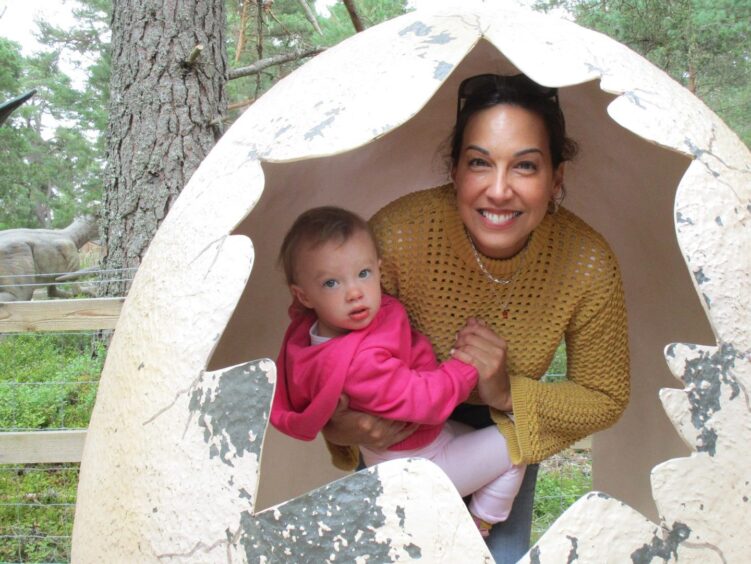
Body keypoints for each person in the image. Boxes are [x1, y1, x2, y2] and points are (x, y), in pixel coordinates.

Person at [321, 73, 631, 562]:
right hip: (400, 435)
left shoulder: (587, 262)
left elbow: (605, 395)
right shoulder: (397, 237)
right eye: (480, 163)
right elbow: (326, 350)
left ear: (556, 179)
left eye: (525, 166)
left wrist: (507, 392)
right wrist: (341, 425)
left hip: (506, 429)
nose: (500, 190)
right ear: (454, 170)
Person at [271, 206, 527, 537]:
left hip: (424, 440)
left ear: (378, 269)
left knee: (497, 437)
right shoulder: (359, 363)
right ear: (303, 295)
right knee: (520, 443)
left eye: (363, 273)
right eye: (332, 282)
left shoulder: (317, 328)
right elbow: (425, 400)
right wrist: (466, 366)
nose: (354, 292)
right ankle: (478, 524)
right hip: (419, 468)